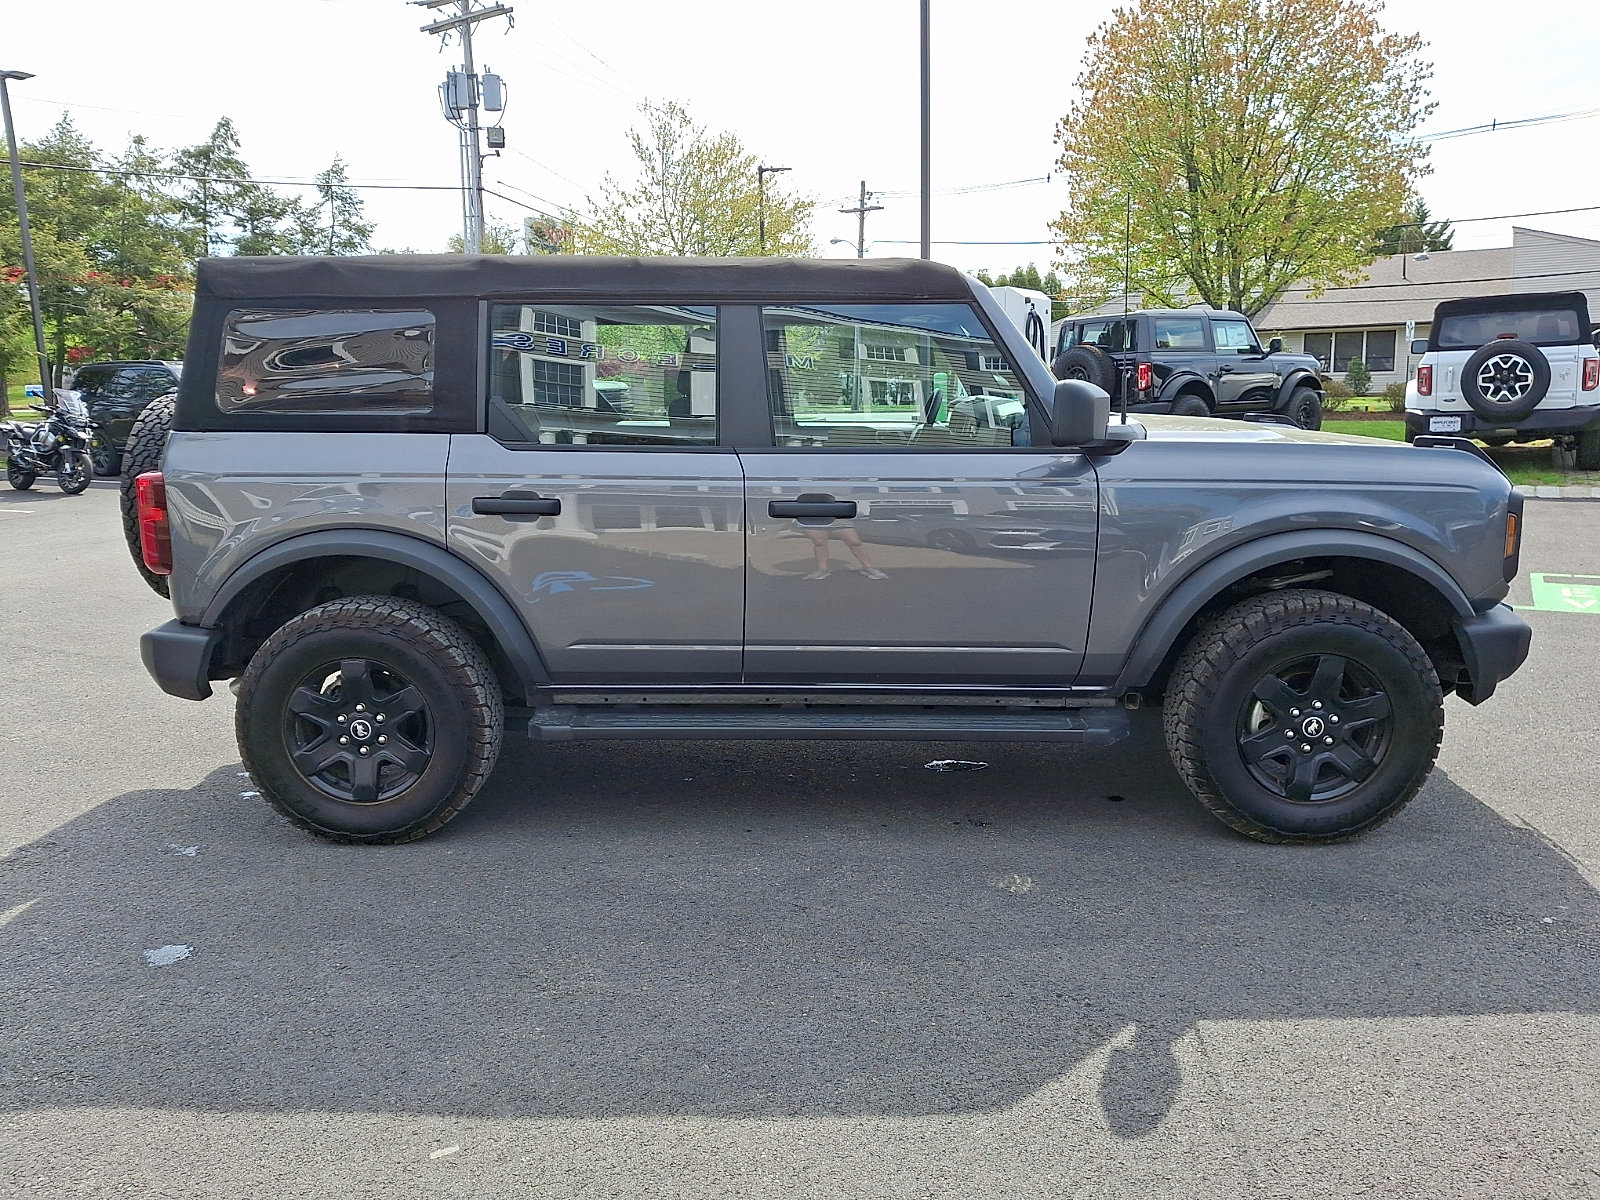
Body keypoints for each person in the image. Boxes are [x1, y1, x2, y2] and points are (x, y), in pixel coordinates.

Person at [802, 524, 886, 580]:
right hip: (814, 514)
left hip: (838, 512)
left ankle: (868, 567)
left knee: (854, 541)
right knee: (819, 542)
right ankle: (822, 569)